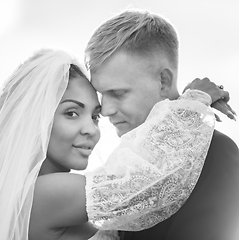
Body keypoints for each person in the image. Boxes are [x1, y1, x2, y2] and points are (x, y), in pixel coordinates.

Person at [0, 49, 232, 240]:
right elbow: (141, 183)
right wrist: (192, 102)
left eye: (95, 115)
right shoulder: (42, 193)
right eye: (71, 113)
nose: (91, 130)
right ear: (35, 120)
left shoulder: (28, 194)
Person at [84, 9, 239, 240]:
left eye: (117, 93)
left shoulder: (215, 152)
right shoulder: (131, 159)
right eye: (101, 94)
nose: (105, 110)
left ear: (163, 81)